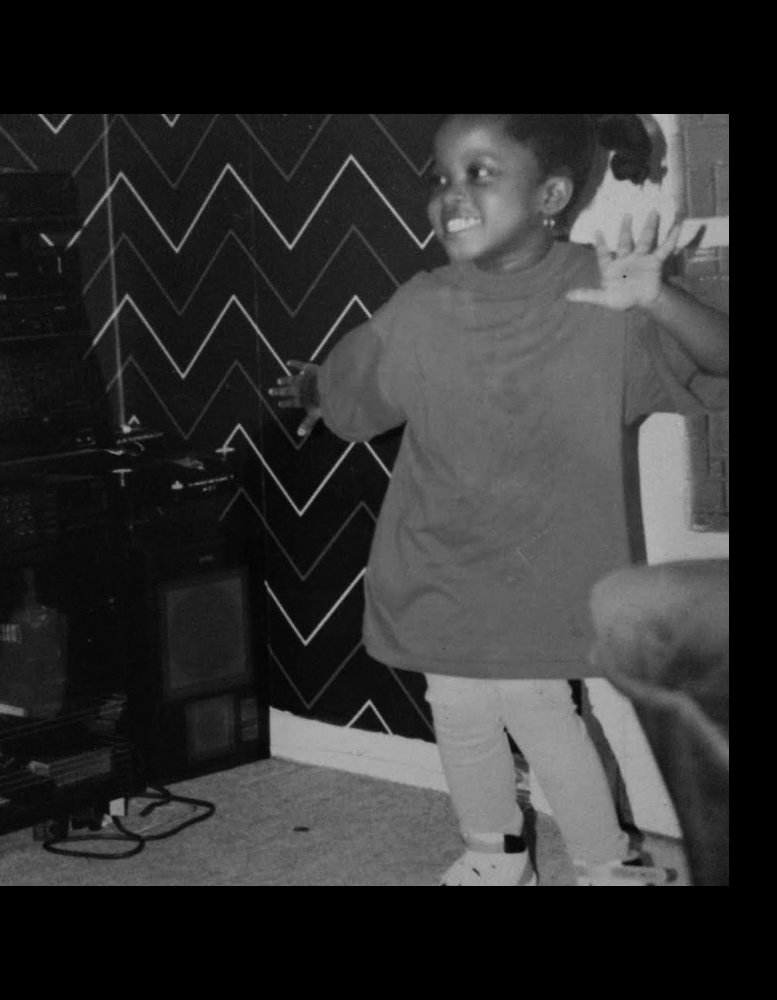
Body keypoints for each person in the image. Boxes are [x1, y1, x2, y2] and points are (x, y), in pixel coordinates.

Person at [268, 114, 729, 886]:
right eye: (442, 176)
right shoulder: (423, 303)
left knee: (540, 710)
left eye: (480, 174)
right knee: (457, 706)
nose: (451, 193)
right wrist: (319, 388)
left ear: (550, 195)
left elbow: (719, 362)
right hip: (439, 559)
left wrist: (659, 299)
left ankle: (607, 863)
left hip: (542, 570)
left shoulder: (604, 292)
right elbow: (356, 396)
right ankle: (495, 851)